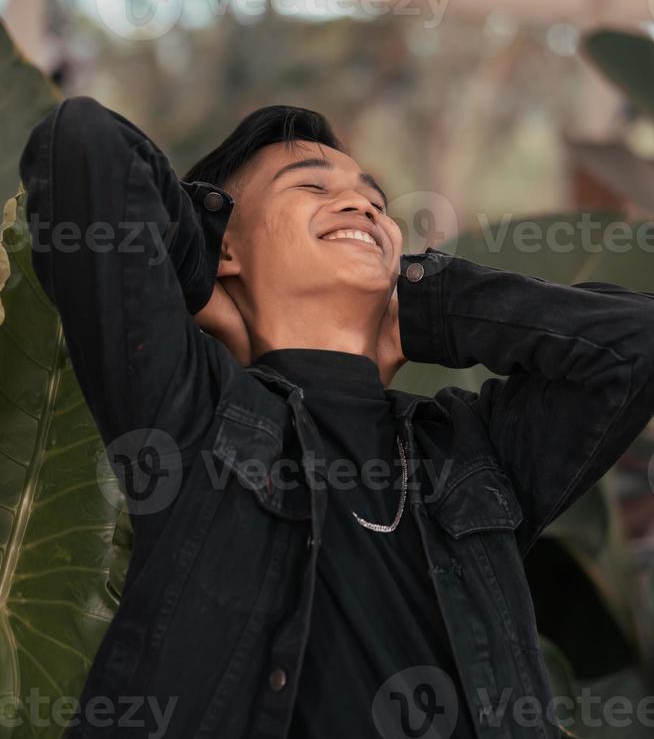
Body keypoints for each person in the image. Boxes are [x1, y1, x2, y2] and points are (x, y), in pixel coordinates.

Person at [19, 96, 654, 739]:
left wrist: (429, 304)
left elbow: (636, 346)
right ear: (228, 247)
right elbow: (82, 146)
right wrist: (203, 266)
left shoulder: (471, 454)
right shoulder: (197, 412)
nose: (364, 205)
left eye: (374, 198)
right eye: (310, 186)